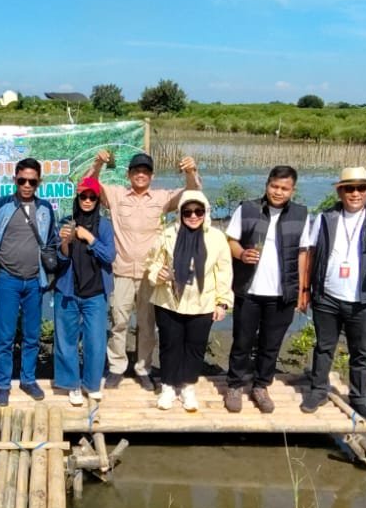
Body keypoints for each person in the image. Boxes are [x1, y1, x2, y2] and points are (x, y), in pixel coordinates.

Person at [83, 149, 201, 391]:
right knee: (119, 321)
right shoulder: (116, 195)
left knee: (147, 325)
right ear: (128, 175)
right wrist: (97, 164)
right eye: (136, 171)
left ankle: (143, 368)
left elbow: (193, 195)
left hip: (151, 274)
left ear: (152, 175)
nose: (140, 175)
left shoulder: (162, 197)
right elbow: (88, 185)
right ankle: (116, 367)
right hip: (121, 271)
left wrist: (191, 171)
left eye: (145, 171)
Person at [301, 166, 366, 420]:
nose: (355, 193)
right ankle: (318, 391)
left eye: (361, 188)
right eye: (349, 188)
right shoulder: (326, 218)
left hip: (363, 299)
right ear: (340, 192)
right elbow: (310, 254)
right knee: (324, 347)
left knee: (361, 352)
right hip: (327, 297)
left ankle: (359, 398)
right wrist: (306, 290)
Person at [223, 165, 312, 414]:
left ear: (293, 190)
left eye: (284, 188)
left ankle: (261, 386)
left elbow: (304, 253)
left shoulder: (301, 214)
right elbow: (230, 240)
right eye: (274, 186)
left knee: (271, 344)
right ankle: (235, 385)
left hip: (282, 293)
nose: (278, 192)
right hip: (248, 290)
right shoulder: (248, 209)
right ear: (267, 185)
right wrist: (241, 253)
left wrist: (303, 290)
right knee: (242, 340)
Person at [0, 156, 59, 407]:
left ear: (39, 182)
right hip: (8, 281)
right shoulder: (0, 206)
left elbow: (53, 241)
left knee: (32, 335)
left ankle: (28, 379)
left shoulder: (45, 209)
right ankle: (3, 384)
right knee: (5, 336)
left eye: (31, 181)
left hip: (35, 281)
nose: (26, 185)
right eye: (22, 180)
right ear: (14, 180)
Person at [145, 190, 232, 412]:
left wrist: (222, 302)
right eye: (188, 212)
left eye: (198, 211)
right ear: (180, 213)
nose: (193, 216)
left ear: (205, 212)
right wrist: (158, 274)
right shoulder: (167, 235)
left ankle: (187, 387)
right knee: (169, 345)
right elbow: (152, 263)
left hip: (202, 303)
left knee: (195, 347)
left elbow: (224, 272)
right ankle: (167, 386)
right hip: (169, 301)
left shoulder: (216, 238)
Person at [53, 177, 116, 406]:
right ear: (77, 198)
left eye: (92, 197)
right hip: (68, 290)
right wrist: (65, 243)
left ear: (98, 199)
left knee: (96, 341)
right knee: (66, 340)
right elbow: (59, 259)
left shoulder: (105, 226)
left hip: (96, 292)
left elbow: (109, 256)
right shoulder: (65, 222)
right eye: (83, 197)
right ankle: (72, 385)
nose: (87, 201)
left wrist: (89, 238)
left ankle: (91, 383)